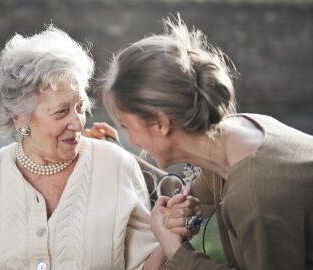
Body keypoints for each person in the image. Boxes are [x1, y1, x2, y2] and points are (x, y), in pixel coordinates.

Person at [0, 25, 200, 270]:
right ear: (19, 117)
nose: (78, 123)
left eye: (79, 107)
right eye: (61, 112)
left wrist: (168, 235)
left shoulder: (116, 165)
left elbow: (145, 266)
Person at [102, 16, 313, 270]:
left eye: (127, 127)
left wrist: (175, 249)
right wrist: (182, 217)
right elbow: (194, 200)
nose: (132, 140)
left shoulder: (254, 198)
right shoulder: (239, 132)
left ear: (160, 123)